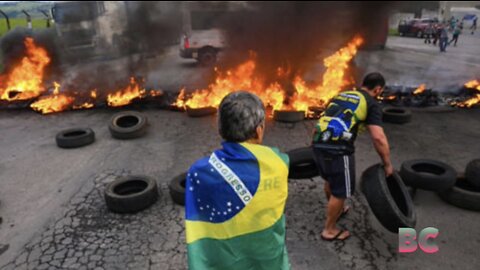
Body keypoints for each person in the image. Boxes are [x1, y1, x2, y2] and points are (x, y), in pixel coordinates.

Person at [185, 91, 290, 270]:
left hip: (222, 262)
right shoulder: (280, 162)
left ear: (221, 129)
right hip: (268, 260)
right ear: (259, 130)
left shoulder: (199, 172)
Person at [311, 72, 393, 241]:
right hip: (339, 149)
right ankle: (329, 229)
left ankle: (337, 211)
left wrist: (315, 144)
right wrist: (387, 163)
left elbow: (324, 119)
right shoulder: (371, 103)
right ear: (377, 89)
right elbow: (378, 137)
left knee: (330, 181)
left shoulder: (341, 95)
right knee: (341, 191)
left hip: (318, 142)